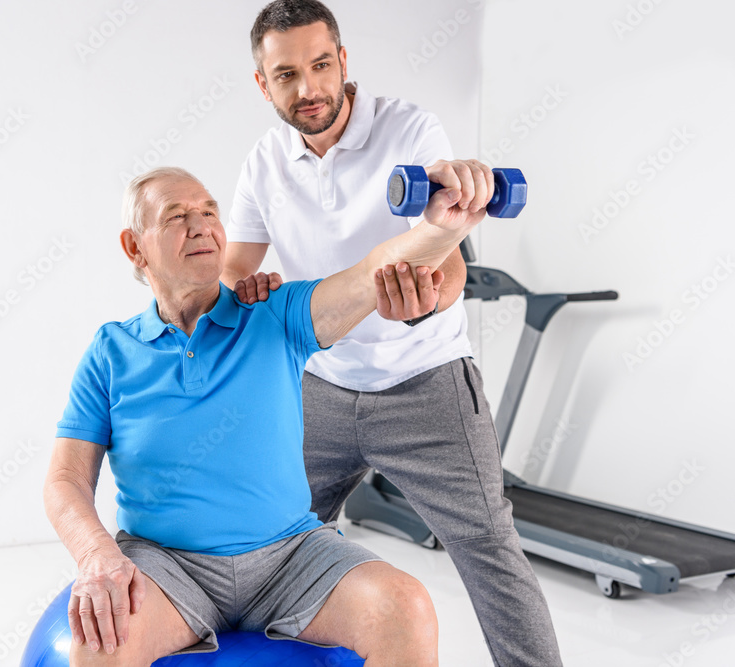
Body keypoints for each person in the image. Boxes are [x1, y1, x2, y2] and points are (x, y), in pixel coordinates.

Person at [220, 2, 562, 665]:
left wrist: (428, 297)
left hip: (426, 384)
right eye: (287, 74)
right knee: (271, 540)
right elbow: (237, 266)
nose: (309, 88)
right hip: (319, 385)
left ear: (344, 61)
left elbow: (451, 262)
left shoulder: (408, 130)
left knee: (489, 547)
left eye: (321, 65)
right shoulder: (264, 162)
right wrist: (247, 287)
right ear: (263, 84)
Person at [44, 164, 493, 666]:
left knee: (406, 606)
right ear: (135, 247)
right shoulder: (111, 351)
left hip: (291, 556)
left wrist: (442, 227)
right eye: (176, 216)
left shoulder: (277, 313)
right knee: (102, 640)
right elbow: (66, 479)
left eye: (209, 211)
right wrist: (96, 554)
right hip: (166, 564)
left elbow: (371, 274)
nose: (201, 225)